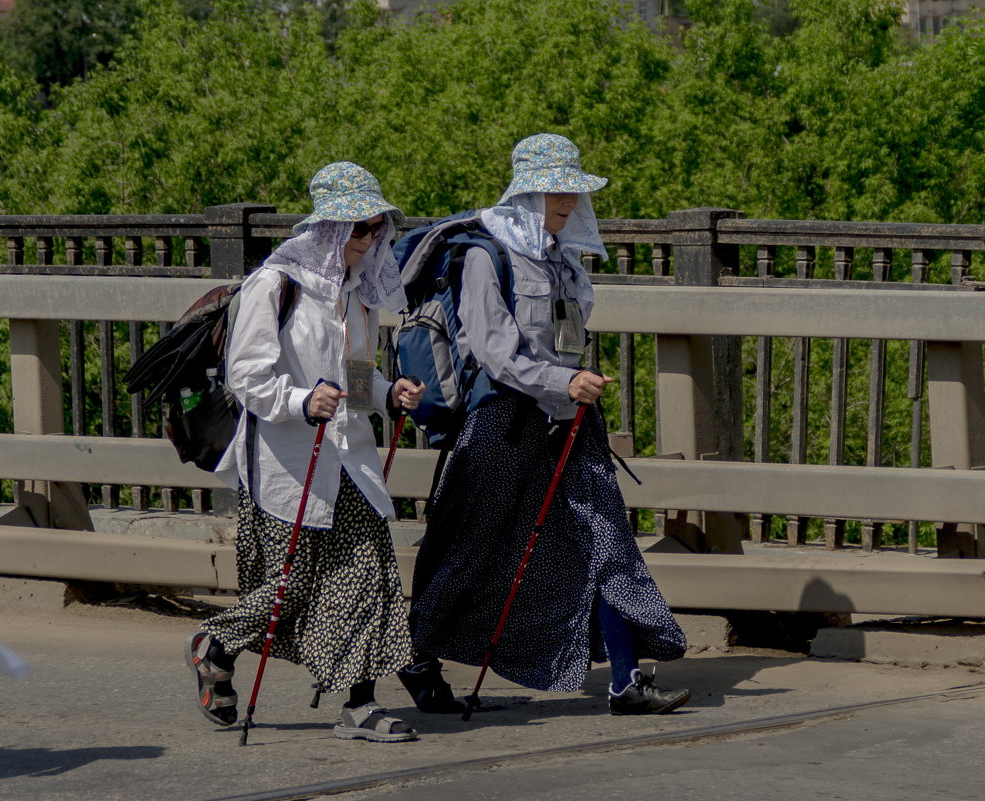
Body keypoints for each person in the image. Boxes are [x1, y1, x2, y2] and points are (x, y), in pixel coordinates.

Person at [399, 133, 690, 716]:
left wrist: (574, 383)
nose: (568, 201)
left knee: (607, 541)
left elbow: (563, 340)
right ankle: (418, 659)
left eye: (573, 191)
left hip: (568, 422)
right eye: (557, 190)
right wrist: (564, 382)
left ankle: (626, 684)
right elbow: (495, 350)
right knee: (467, 550)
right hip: (502, 422)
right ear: (528, 192)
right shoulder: (486, 254)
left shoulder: (561, 255)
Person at [185, 162, 425, 743]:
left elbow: (357, 377)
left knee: (370, 574)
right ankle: (215, 645)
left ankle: (361, 706)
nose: (371, 240)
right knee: (291, 586)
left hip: (351, 458)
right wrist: (300, 400)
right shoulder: (275, 285)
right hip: (290, 461)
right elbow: (246, 376)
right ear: (330, 230)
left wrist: (389, 393)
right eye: (361, 229)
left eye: (376, 229)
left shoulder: (358, 295)